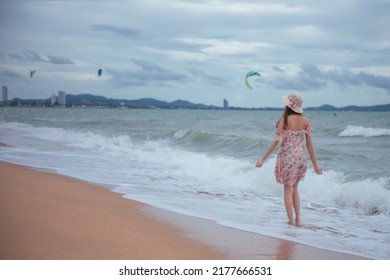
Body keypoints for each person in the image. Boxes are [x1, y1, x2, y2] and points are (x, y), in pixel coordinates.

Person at [256, 92, 322, 227]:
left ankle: (291, 221)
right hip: (301, 157)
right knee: (295, 188)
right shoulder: (306, 121)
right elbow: (309, 145)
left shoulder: (284, 121)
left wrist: (263, 158)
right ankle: (298, 220)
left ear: (288, 105)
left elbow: (275, 141)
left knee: (288, 190)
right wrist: (315, 164)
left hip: (288, 157)